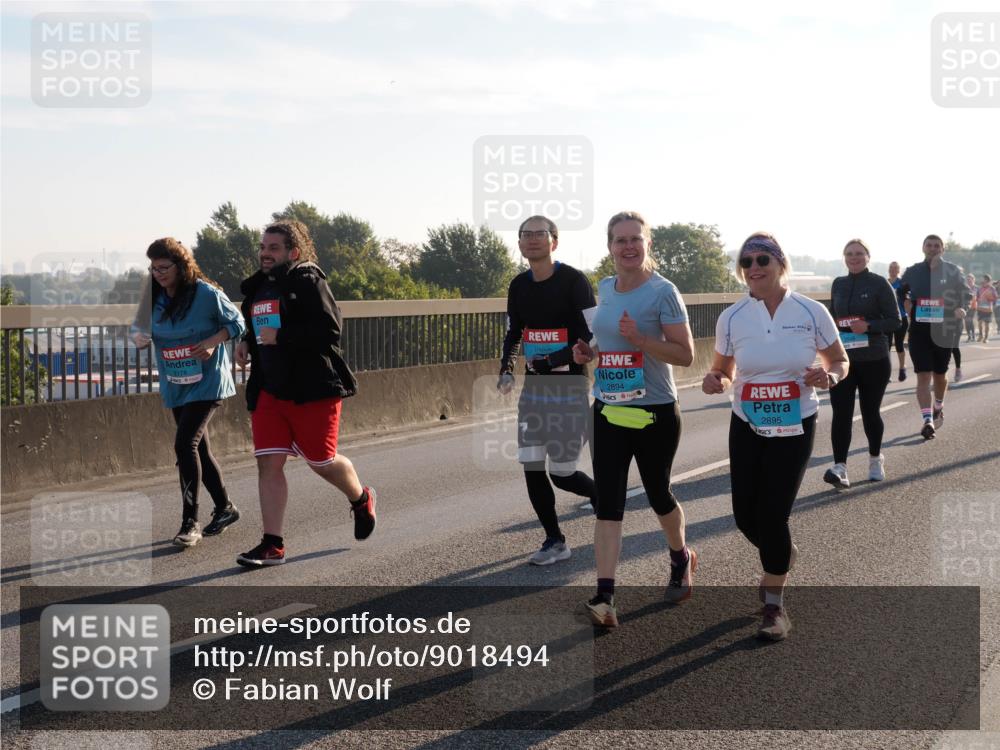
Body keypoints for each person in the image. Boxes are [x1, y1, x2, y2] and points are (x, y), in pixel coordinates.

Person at [702, 232, 848, 641]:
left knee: (773, 512)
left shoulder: (811, 311)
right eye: (746, 262)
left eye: (762, 259)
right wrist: (717, 379)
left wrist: (830, 375)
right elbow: (723, 369)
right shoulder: (732, 317)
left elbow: (839, 360)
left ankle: (773, 604)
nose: (753, 268)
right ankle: (779, 553)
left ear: (780, 264)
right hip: (747, 421)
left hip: (795, 422)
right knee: (745, 516)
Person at [572, 211, 695, 628]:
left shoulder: (664, 292)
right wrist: (589, 352)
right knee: (609, 501)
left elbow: (685, 355)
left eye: (635, 240)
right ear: (609, 247)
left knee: (658, 492)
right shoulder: (605, 289)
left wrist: (643, 340)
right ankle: (605, 595)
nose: (628, 247)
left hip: (654, 411)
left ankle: (680, 556)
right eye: (620, 240)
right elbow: (603, 342)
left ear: (647, 245)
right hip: (608, 408)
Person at [234, 220, 375, 567]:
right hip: (269, 388)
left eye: (274, 248)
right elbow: (259, 327)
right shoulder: (258, 287)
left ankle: (360, 498)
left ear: (292, 252)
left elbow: (330, 329)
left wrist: (282, 338)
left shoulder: (309, 280)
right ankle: (273, 544)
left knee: (322, 462)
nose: (265, 254)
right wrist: (246, 342)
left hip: (312, 389)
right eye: (263, 247)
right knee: (268, 462)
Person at [131, 238, 245, 548]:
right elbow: (138, 327)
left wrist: (211, 342)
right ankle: (225, 508)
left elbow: (238, 323)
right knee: (199, 450)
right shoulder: (152, 295)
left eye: (164, 267)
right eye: (153, 268)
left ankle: (189, 522)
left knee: (185, 445)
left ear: (182, 267)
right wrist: (140, 337)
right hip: (176, 381)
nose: (158, 274)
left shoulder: (206, 294)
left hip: (207, 381)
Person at [498, 215, 598, 565]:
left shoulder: (574, 281)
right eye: (526, 234)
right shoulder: (518, 285)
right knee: (531, 464)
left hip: (569, 386)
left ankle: (601, 496)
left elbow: (593, 333)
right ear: (521, 243)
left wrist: (553, 357)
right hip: (535, 390)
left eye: (541, 234)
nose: (533, 240)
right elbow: (514, 333)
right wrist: (506, 369)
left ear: (554, 242)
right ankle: (554, 540)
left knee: (563, 472)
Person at [824, 239, 900, 488]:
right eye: (849, 254)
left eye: (858, 253)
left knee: (870, 413)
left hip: (874, 359)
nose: (853, 257)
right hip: (842, 360)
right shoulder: (839, 283)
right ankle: (840, 467)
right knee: (841, 414)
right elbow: (833, 317)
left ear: (868, 256)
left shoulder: (879, 284)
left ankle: (875, 458)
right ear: (844, 257)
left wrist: (868, 326)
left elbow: (895, 321)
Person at [896, 235, 972, 440]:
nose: (932, 248)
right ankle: (927, 420)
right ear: (923, 248)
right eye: (929, 245)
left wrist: (961, 308)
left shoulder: (953, 271)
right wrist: (905, 303)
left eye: (936, 245)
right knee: (923, 376)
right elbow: (899, 291)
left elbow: (967, 293)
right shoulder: (913, 271)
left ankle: (938, 405)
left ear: (943, 249)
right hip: (919, 331)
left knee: (939, 375)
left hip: (945, 330)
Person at [887, 262, 910, 381]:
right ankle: (887, 373)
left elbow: (908, 300)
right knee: (886, 346)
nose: (893, 270)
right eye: (891, 268)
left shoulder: (903, 284)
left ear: (899, 270)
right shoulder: (884, 283)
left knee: (899, 344)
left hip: (901, 318)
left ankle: (902, 368)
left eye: (895, 268)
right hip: (887, 319)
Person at [975, 274, 998, 342]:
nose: (983, 281)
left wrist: (991, 300)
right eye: (983, 279)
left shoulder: (992, 288)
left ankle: (986, 337)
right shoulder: (979, 288)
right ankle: (980, 335)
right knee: (979, 322)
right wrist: (977, 300)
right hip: (980, 308)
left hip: (988, 309)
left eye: (985, 279)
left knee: (987, 324)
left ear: (988, 281)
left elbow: (995, 297)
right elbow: (977, 297)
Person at [963, 273, 978, 344]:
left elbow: (980, 297)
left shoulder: (977, 288)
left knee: (970, 320)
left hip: (973, 306)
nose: (969, 281)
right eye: (968, 279)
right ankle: (969, 336)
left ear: (973, 280)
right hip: (965, 306)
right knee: (966, 321)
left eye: (970, 279)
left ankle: (973, 335)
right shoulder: (964, 287)